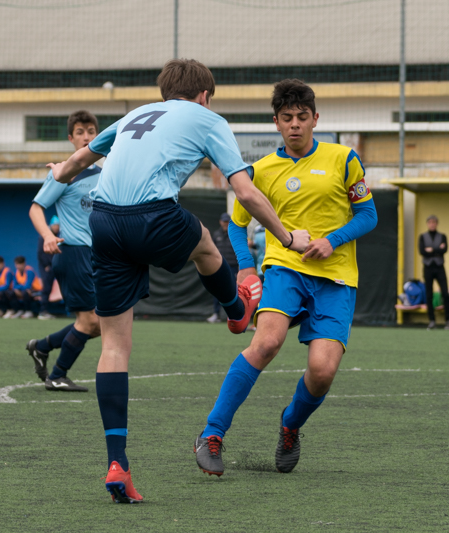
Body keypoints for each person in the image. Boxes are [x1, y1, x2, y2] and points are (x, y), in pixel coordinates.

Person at [46, 60, 309, 504]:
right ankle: (236, 311)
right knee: (205, 244)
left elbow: (74, 164)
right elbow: (245, 192)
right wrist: (287, 237)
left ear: (164, 93)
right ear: (205, 95)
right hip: (152, 217)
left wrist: (58, 174)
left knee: (113, 346)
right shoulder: (208, 119)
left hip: (103, 223)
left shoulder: (133, 115)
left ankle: (118, 463)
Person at [196, 79, 377, 476]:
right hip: (285, 268)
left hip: (337, 278)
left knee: (323, 372)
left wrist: (332, 240)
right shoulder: (259, 171)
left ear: (315, 119)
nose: (295, 124)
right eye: (287, 118)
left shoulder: (344, 159)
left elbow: (368, 215)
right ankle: (212, 433)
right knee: (266, 343)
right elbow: (237, 225)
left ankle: (291, 426)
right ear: (275, 122)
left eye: (302, 117)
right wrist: (246, 266)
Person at [28, 110, 103, 394]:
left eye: (91, 131)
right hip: (72, 253)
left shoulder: (106, 175)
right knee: (90, 321)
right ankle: (57, 375)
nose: (86, 137)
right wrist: (48, 235)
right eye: (80, 132)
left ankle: (42, 346)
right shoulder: (64, 172)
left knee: (100, 325)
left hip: (97, 256)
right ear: (71, 138)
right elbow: (35, 208)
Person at [419, 215, 449, 330]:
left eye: (434, 222)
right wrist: (438, 250)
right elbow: (422, 251)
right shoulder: (422, 237)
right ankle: (432, 321)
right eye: (430, 222)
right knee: (429, 294)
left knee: (445, 293)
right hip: (428, 268)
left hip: (440, 267)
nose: (432, 224)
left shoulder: (442, 236)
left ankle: (448, 320)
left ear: (437, 224)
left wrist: (431, 250)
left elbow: (445, 249)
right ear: (427, 224)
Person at [207, 213, 238, 323]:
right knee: (217, 290)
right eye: (224, 221)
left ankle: (234, 316)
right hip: (219, 267)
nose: (225, 224)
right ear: (220, 222)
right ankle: (216, 314)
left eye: (227, 221)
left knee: (234, 291)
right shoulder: (216, 234)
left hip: (233, 267)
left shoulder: (234, 233)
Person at [37, 215, 60, 320]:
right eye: (55, 225)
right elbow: (40, 253)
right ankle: (43, 311)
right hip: (46, 267)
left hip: (55, 266)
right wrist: (46, 265)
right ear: (51, 225)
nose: (57, 228)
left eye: (58, 226)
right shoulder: (44, 237)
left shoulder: (58, 236)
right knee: (46, 288)